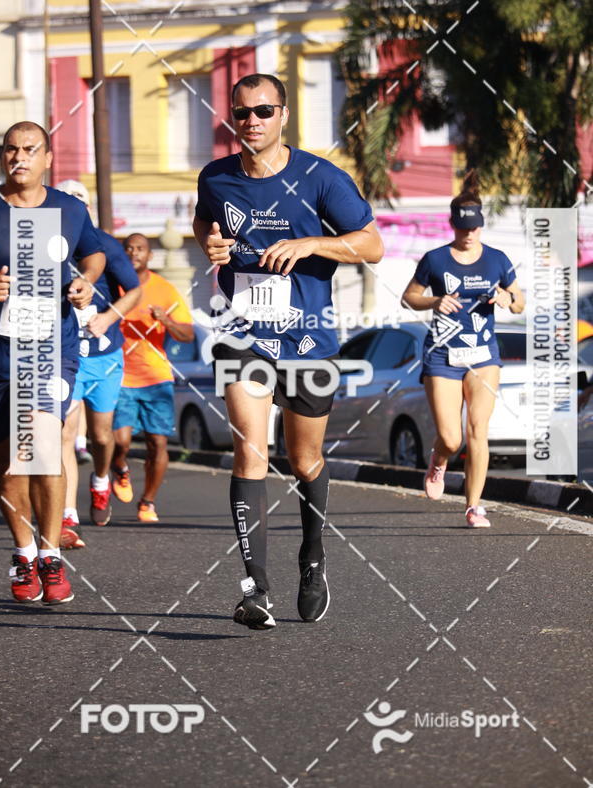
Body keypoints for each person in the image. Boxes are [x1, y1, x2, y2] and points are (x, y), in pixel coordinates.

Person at [193, 72, 384, 630]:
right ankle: (254, 588)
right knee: (250, 453)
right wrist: (208, 241)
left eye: (263, 111)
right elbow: (204, 219)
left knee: (303, 460)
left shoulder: (321, 177)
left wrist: (312, 243)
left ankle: (313, 556)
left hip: (308, 337)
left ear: (283, 116)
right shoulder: (216, 177)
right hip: (241, 333)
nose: (251, 121)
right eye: (242, 112)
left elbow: (372, 243)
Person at [0, 122, 104, 603]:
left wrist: (86, 281)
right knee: (7, 469)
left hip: (49, 345)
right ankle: (23, 554)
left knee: (37, 443)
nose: (19, 156)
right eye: (11, 149)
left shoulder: (69, 209)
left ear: (48, 157)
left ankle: (51, 552)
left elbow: (95, 253)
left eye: (29, 149)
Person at [401, 174, 525, 528]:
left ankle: (474, 506)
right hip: (442, 355)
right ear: (452, 224)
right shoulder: (435, 259)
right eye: (463, 227)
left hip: (484, 355)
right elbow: (408, 298)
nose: (469, 234)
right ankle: (439, 460)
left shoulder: (498, 260)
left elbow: (519, 302)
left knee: (477, 430)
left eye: (475, 228)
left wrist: (507, 298)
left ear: (482, 225)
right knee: (452, 437)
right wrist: (435, 301)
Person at [57, 181, 141, 545]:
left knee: (102, 436)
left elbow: (134, 290)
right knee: (63, 433)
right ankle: (67, 514)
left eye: (79, 204)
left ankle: (102, 478)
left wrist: (108, 318)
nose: (73, 210)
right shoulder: (49, 245)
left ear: (86, 209)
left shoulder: (105, 245)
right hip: (65, 352)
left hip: (104, 355)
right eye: (66, 203)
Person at [111, 234, 194, 523]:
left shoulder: (165, 289)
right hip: (119, 375)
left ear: (149, 256)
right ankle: (119, 467)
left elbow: (188, 334)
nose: (134, 252)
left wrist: (166, 320)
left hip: (156, 377)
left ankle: (147, 501)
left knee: (157, 443)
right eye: (129, 248)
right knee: (119, 442)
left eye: (140, 249)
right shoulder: (113, 285)